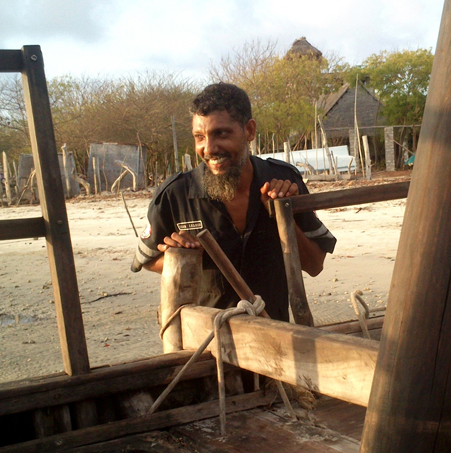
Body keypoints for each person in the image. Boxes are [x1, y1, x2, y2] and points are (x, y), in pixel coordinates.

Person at [131, 83, 336, 321]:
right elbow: (146, 260)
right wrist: (182, 257)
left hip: (275, 335)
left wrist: (282, 216)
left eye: (222, 133)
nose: (209, 148)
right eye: (199, 137)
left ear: (249, 131)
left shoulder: (284, 183)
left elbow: (314, 266)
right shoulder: (174, 195)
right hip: (207, 341)